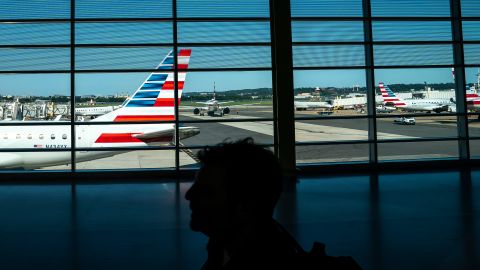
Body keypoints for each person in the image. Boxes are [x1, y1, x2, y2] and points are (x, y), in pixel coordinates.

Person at [185, 137, 299, 269]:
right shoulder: (221, 243)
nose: (189, 195)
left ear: (245, 205)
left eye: (206, 191)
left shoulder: (222, 244)